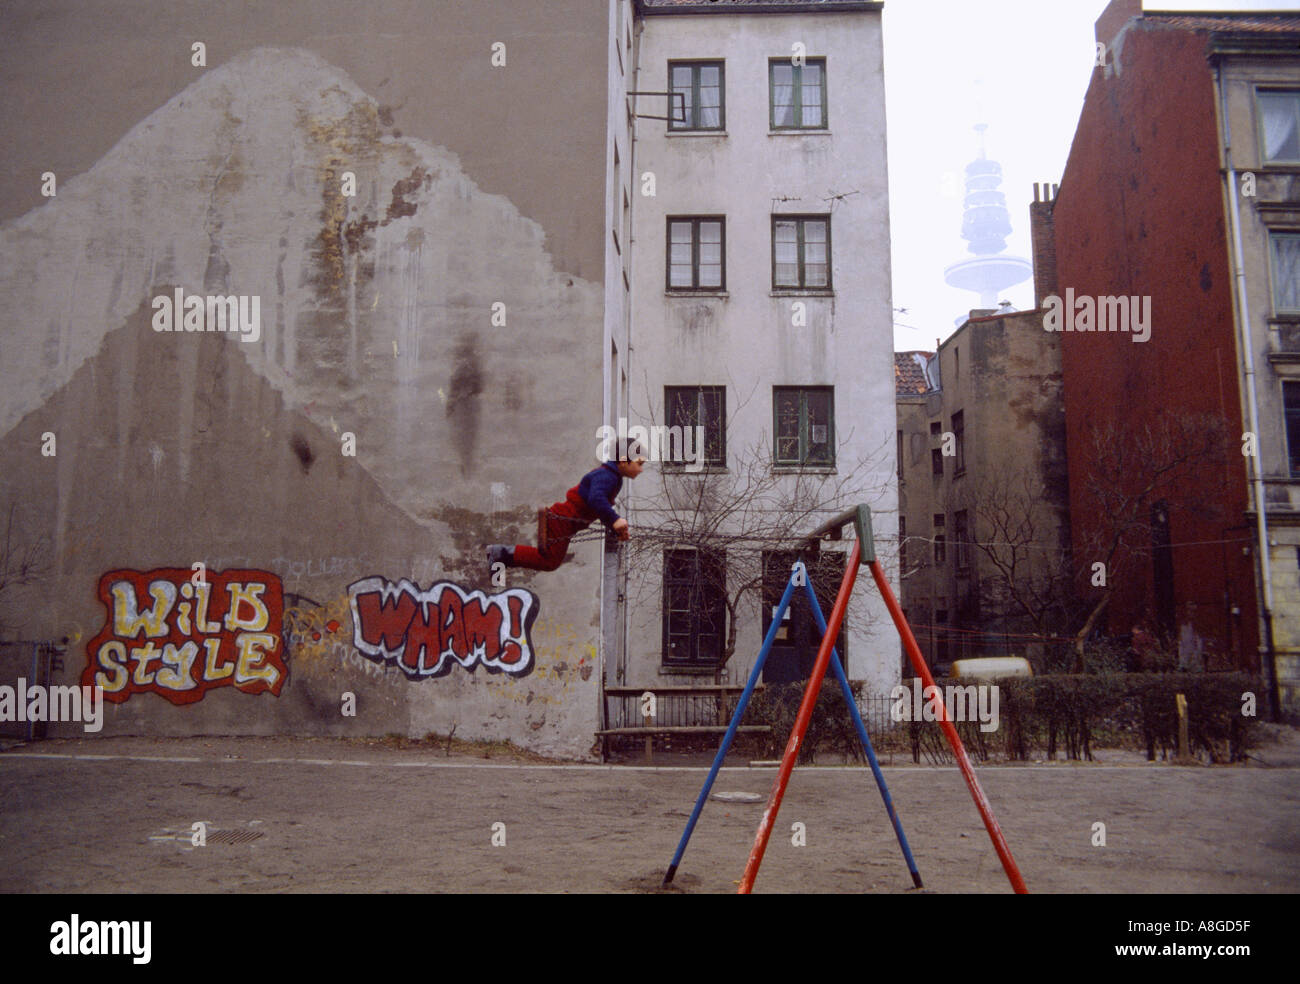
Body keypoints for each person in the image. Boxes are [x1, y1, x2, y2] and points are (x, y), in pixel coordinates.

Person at [487, 453, 645, 572]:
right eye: (639, 464)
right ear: (624, 461)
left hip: (565, 521)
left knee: (549, 562)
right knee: (549, 562)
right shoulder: (607, 475)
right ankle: (500, 553)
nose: (641, 469)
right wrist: (615, 520)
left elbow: (599, 508)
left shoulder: (613, 477)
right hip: (562, 519)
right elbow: (596, 499)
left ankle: (502, 557)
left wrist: (615, 527)